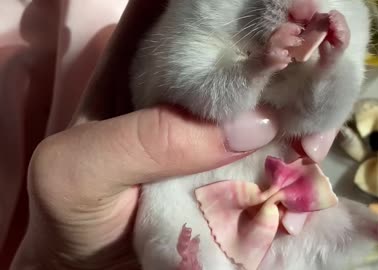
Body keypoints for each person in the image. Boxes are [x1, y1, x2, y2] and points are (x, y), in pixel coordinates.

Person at [1, 0, 335, 269]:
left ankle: (374, 230)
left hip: (259, 188)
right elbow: (200, 92)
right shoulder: (189, 29)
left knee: (317, 226)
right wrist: (255, 67)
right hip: (178, 182)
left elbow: (315, 111)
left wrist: (327, 70)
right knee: (166, 218)